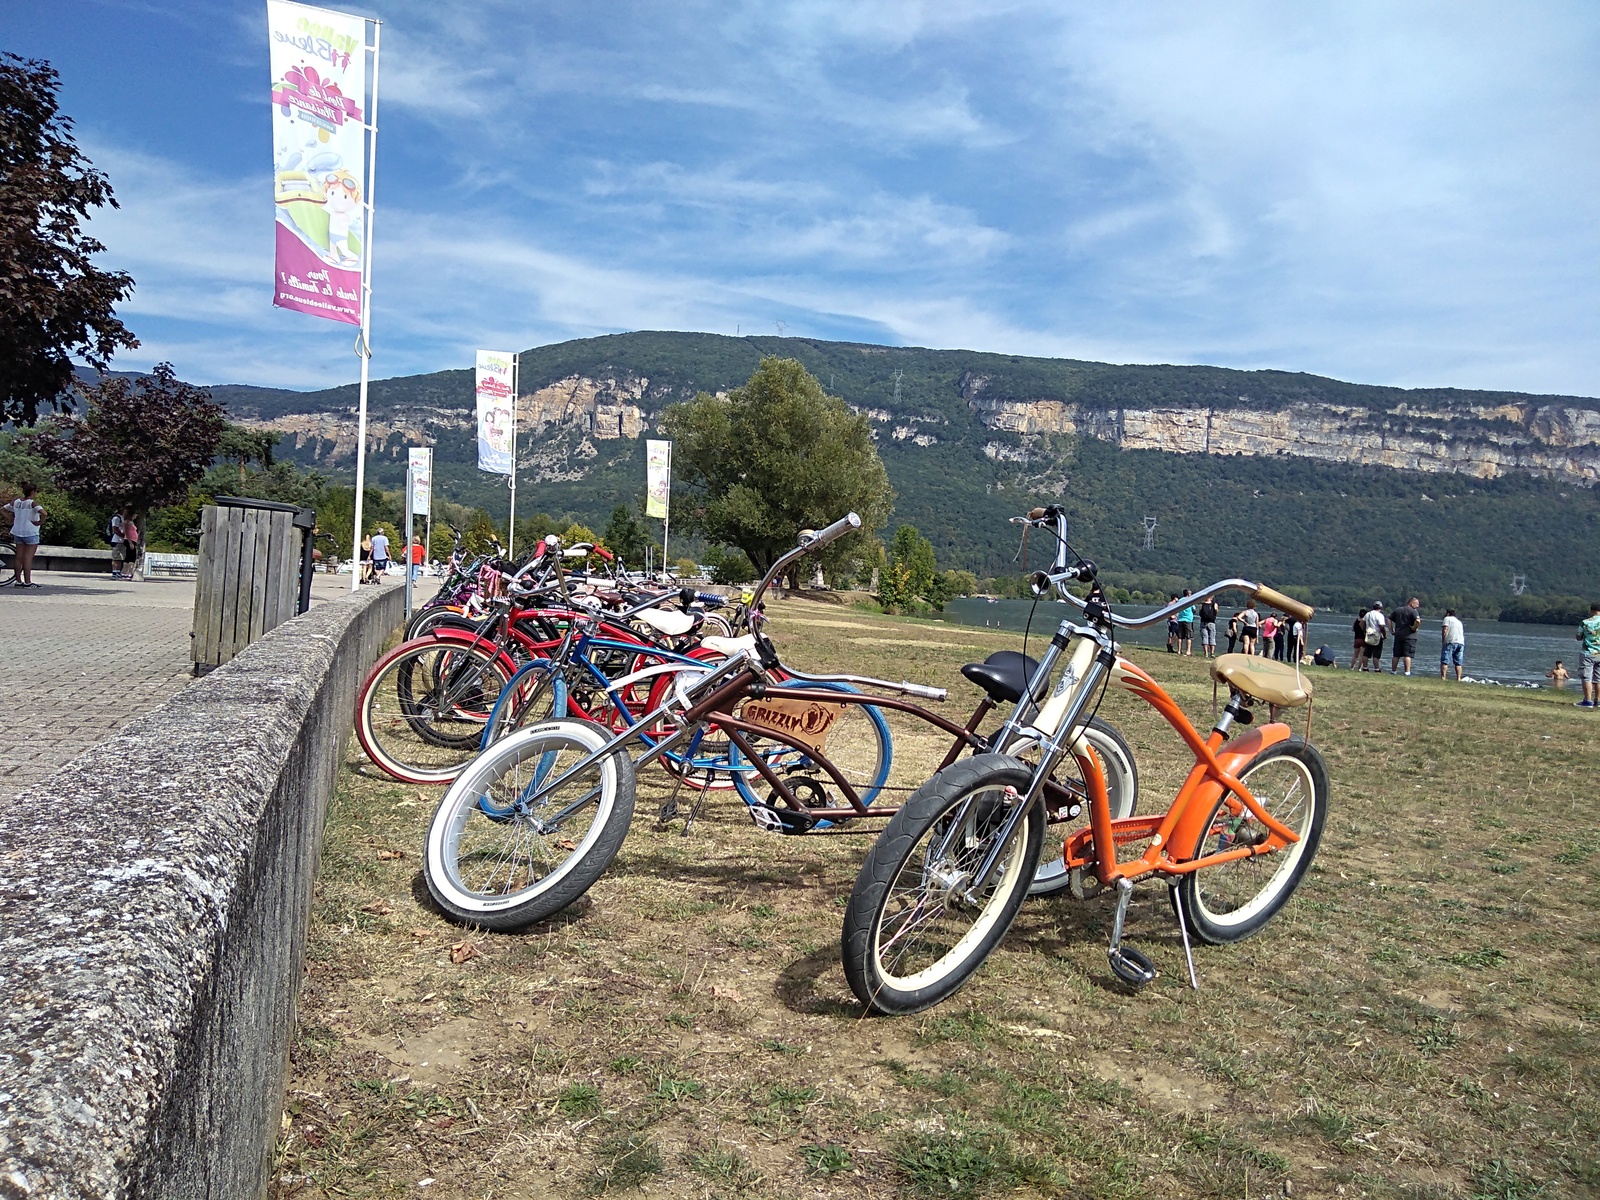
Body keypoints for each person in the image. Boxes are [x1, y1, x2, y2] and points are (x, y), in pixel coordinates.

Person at [4, 484, 45, 588]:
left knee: (18, 558)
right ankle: (27, 582)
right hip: (31, 532)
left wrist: (9, 518)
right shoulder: (32, 503)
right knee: (28, 558)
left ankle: (18, 581)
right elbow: (44, 513)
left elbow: (2, 509)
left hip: (18, 531)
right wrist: (40, 522)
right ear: (32, 492)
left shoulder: (17, 502)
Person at [1576, 603, 1600, 708]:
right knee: (1598, 678)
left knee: (1587, 677)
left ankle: (1588, 701)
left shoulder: (1585, 622)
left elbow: (1578, 637)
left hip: (1588, 653)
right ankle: (1598, 701)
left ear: (1591, 610)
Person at [1389, 597, 1421, 676]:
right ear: (1411, 603)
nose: (1418, 606)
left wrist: (1391, 630)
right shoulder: (1413, 611)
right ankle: (1407, 672)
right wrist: (1414, 627)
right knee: (1407, 655)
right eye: (1417, 604)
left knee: (1396, 655)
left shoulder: (1398, 610)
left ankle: (1393, 671)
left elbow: (1388, 619)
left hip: (1398, 635)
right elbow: (1418, 621)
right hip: (1410, 636)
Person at [1440, 608, 1465, 681]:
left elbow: (1445, 630)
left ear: (1448, 613)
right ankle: (1458, 678)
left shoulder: (1447, 619)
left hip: (1451, 641)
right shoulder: (1459, 621)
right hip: (1461, 642)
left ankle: (1443, 677)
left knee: (1445, 660)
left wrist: (1443, 641)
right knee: (1458, 662)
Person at [1361, 602, 1387, 672]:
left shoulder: (1368, 614)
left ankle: (1365, 667)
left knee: (1366, 652)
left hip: (1368, 634)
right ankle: (1376, 669)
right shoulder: (1380, 615)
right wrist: (1384, 635)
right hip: (1377, 635)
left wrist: (1365, 630)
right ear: (1380, 607)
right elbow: (1381, 626)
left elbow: (1361, 623)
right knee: (1376, 654)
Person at [109, 508, 129, 580]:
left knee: (121, 558)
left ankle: (118, 572)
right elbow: (115, 529)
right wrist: (124, 536)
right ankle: (114, 572)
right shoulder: (116, 518)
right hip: (116, 540)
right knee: (115, 557)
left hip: (122, 541)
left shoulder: (122, 518)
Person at [1176, 589, 1196, 656]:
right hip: (1188, 620)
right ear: (1188, 594)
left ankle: (1179, 650)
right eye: (1190, 594)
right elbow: (1194, 609)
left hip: (1180, 619)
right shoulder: (1190, 600)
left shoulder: (1180, 600)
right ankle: (1188, 651)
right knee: (1189, 636)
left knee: (1180, 636)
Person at [122, 512, 140, 580]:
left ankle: (129, 572)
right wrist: (130, 542)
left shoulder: (132, 522)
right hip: (129, 540)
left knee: (131, 556)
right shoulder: (127, 522)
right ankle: (127, 572)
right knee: (130, 556)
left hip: (133, 540)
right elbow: (126, 532)